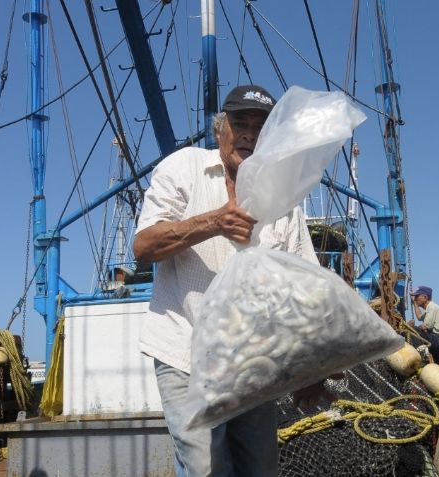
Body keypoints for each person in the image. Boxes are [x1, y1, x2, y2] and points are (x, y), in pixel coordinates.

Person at [133, 84, 333, 477]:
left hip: (251, 364)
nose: (248, 135)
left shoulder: (283, 199)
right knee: (206, 468)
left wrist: (312, 367)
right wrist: (213, 222)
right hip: (185, 354)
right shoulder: (184, 167)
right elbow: (143, 246)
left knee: (260, 468)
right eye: (240, 124)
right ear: (219, 130)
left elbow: (305, 286)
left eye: (260, 129)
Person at [411, 285, 439, 371]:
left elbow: (425, 326)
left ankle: (419, 358)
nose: (415, 298)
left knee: (414, 330)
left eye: (417, 296)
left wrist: (410, 327)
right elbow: (419, 317)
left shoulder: (432, 307)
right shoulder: (429, 309)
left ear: (425, 297)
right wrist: (415, 304)